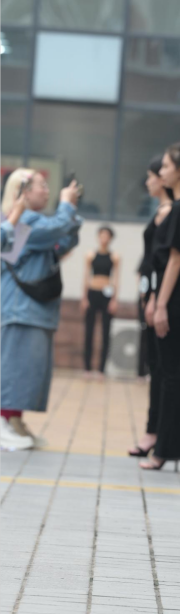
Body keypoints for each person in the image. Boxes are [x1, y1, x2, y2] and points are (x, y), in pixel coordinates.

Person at [1, 170, 81, 450]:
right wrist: (67, 207)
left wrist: (71, 212)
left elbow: (63, 242)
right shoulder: (23, 222)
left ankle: (13, 421)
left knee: (26, 371)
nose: (48, 191)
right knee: (14, 369)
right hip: (20, 308)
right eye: (42, 186)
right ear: (22, 192)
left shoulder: (31, 222)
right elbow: (55, 230)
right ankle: (4, 420)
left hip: (32, 308)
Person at [141, 142, 180, 471]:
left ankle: (165, 449)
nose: (161, 171)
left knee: (168, 375)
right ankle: (166, 447)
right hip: (167, 293)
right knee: (165, 372)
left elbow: (176, 260)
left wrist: (161, 303)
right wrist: (155, 298)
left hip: (174, 296)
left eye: (166, 166)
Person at [128, 156, 172, 457]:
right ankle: (152, 429)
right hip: (150, 295)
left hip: (160, 298)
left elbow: (169, 262)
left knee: (161, 369)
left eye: (151, 176)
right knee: (154, 366)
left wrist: (156, 298)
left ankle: (156, 432)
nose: (147, 182)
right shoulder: (159, 211)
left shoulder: (173, 212)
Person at [81, 226, 120, 379]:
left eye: (106, 236)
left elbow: (116, 279)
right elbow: (86, 276)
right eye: (101, 235)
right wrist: (84, 297)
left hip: (107, 295)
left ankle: (101, 369)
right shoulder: (90, 255)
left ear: (110, 238)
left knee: (105, 332)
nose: (104, 238)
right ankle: (87, 368)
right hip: (93, 292)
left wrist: (114, 299)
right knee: (89, 331)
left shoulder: (115, 257)